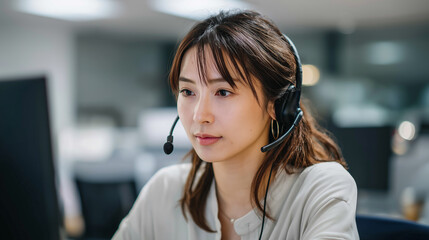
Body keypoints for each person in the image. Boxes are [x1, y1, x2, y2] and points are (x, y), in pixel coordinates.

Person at [113, 10, 359, 240]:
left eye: (223, 92)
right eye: (188, 91)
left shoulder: (321, 189)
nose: (200, 116)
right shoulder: (165, 191)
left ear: (278, 103)